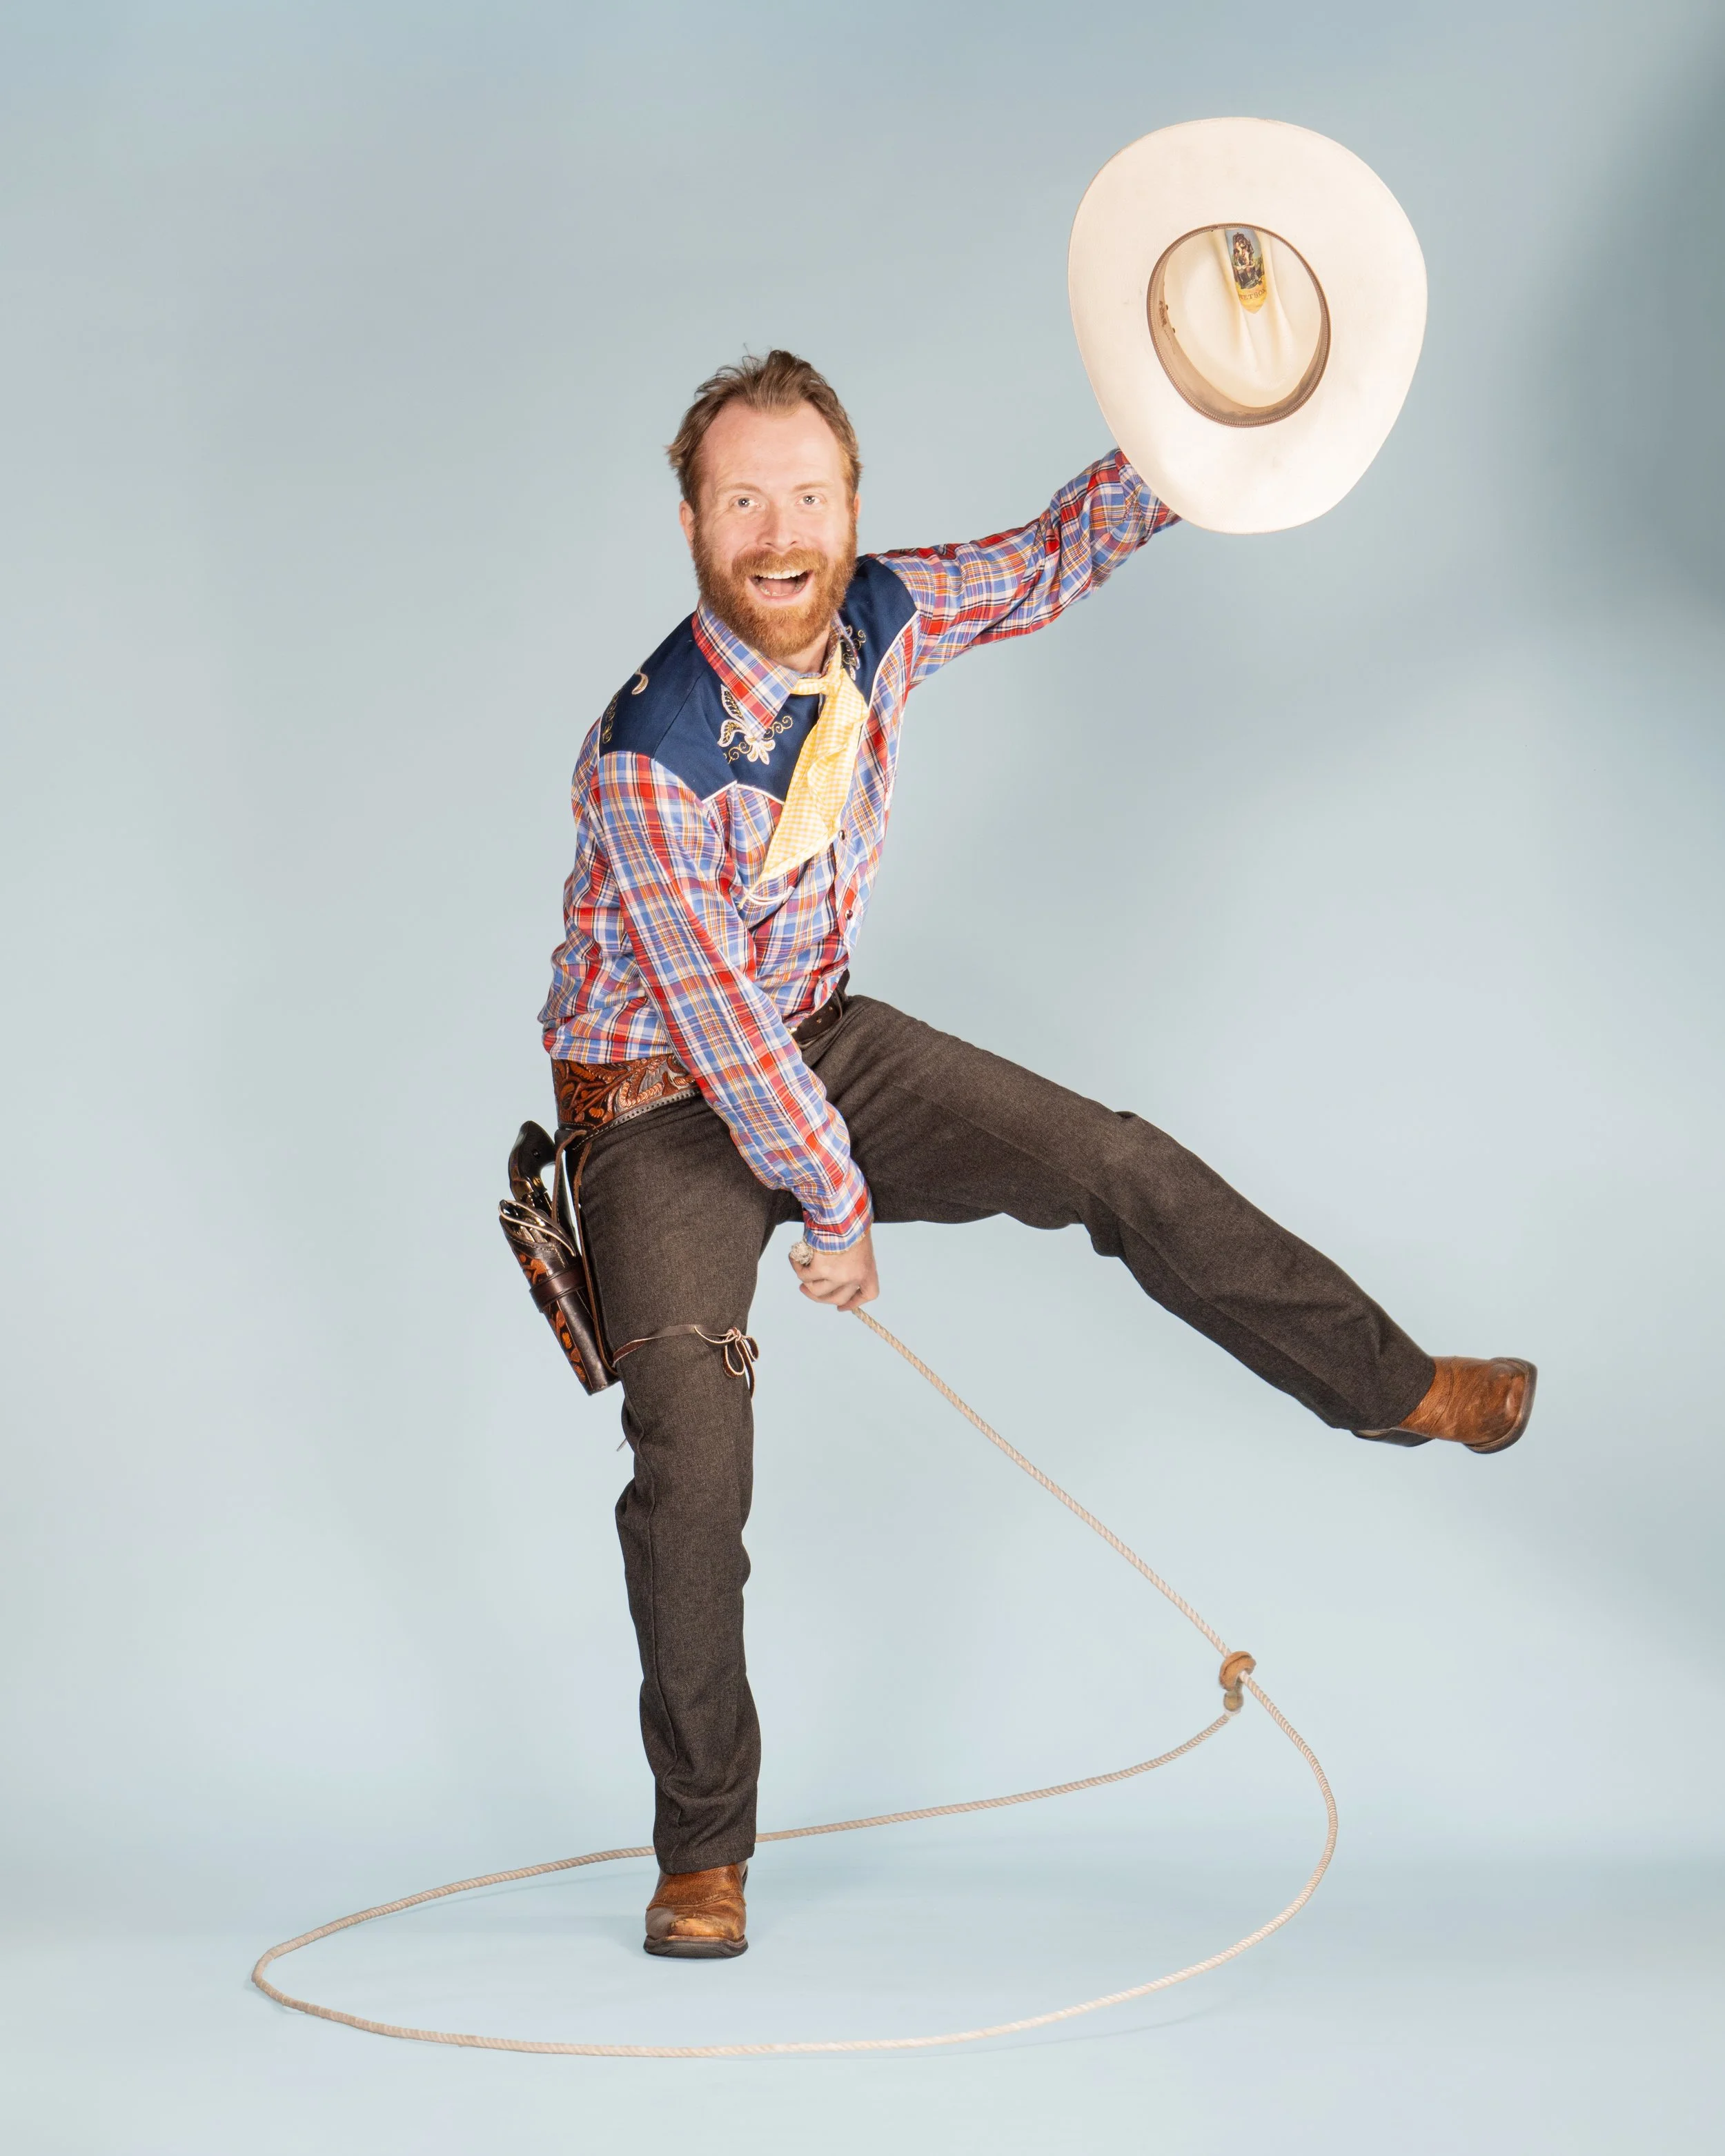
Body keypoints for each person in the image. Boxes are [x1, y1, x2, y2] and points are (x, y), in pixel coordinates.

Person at [536, 349, 1535, 1960]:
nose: (779, 534)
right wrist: (836, 1201)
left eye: (807, 496)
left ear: (852, 506)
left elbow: (1053, 553)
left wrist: (1197, 436)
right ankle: (701, 1851)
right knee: (691, 1456)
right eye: (742, 502)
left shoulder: (884, 611)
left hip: (811, 1039)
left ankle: (1398, 1385)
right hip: (655, 1109)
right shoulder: (650, 752)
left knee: (1111, 1161)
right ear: (692, 523)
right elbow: (713, 1029)